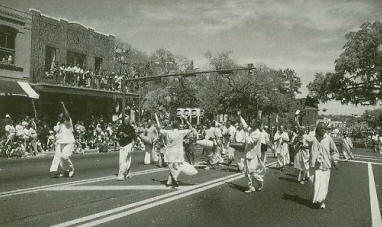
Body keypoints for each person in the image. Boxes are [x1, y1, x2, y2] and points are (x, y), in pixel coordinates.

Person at [156, 115, 193, 188]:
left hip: (169, 152)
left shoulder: (168, 132)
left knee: (172, 167)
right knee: (177, 167)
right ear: (178, 126)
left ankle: (169, 181)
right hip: (178, 152)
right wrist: (186, 121)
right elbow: (191, 129)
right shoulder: (181, 132)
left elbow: (159, 131)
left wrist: (159, 128)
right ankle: (174, 179)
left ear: (172, 126)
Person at [309, 122, 339, 209]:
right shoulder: (313, 138)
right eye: (321, 129)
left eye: (324, 129)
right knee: (315, 183)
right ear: (317, 129)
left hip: (325, 166)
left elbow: (334, 151)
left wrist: (335, 161)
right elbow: (305, 140)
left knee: (324, 185)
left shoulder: (328, 138)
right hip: (314, 166)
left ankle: (322, 201)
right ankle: (316, 198)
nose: (323, 130)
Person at [238, 111, 265, 193]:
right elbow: (244, 124)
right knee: (246, 172)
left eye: (252, 123)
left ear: (256, 124)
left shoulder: (257, 133)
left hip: (253, 155)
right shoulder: (250, 129)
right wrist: (239, 116)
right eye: (250, 122)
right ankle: (250, 187)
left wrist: (246, 133)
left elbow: (249, 141)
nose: (250, 123)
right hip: (247, 154)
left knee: (252, 172)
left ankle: (260, 181)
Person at [49, 102, 75, 178]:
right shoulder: (58, 124)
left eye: (61, 116)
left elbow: (67, 115)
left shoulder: (68, 121)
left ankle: (71, 169)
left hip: (69, 142)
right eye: (59, 117)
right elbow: (57, 133)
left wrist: (63, 106)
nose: (60, 118)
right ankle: (63, 171)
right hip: (59, 143)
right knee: (58, 157)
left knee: (64, 156)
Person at [116, 115, 137, 181]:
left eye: (127, 120)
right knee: (122, 160)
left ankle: (124, 173)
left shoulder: (131, 128)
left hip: (128, 144)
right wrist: (120, 134)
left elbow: (134, 136)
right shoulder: (120, 127)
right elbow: (117, 135)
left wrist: (127, 136)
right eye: (125, 120)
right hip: (122, 144)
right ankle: (123, 173)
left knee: (127, 159)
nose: (126, 121)